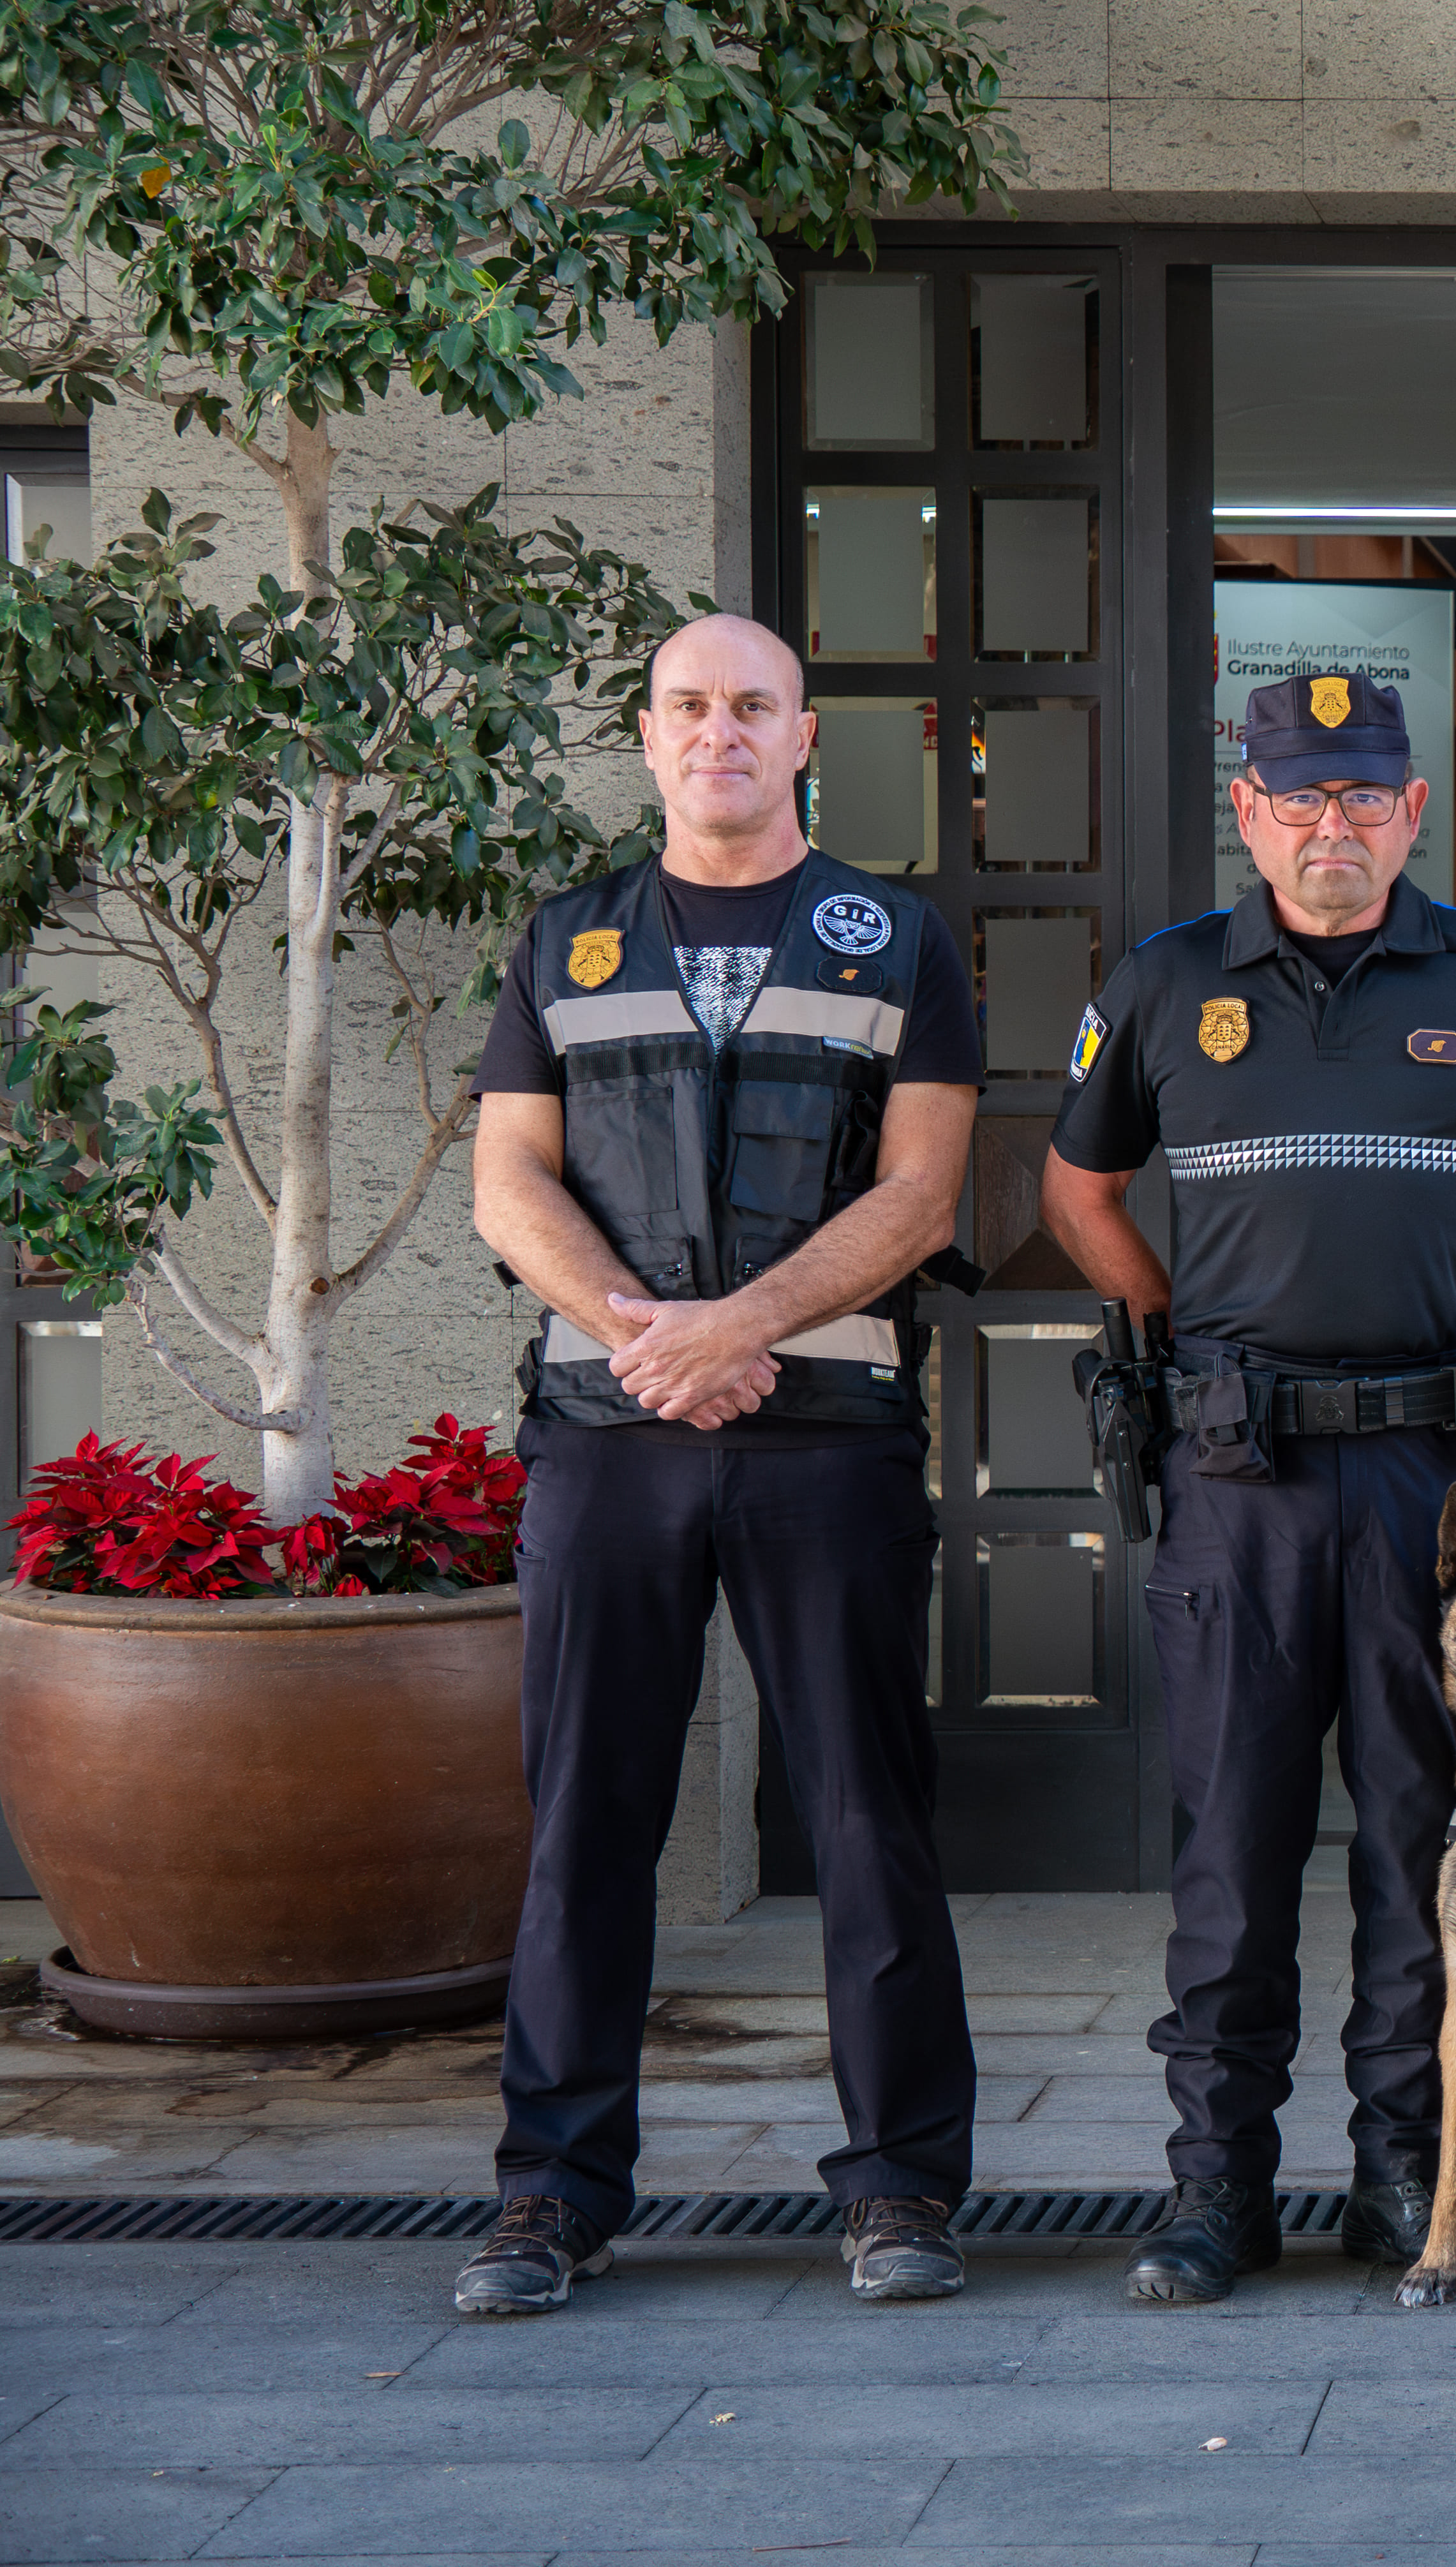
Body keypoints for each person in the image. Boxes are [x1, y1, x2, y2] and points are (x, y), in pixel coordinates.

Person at [1043, 671, 1456, 2304]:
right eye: (1298, 798)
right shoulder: (1167, 986)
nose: (1332, 828)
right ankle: (1215, 2192)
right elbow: (1078, 1187)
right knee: (1231, 1848)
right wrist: (1179, 1338)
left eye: (1365, 797)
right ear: (1249, 811)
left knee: (1423, 1849)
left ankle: (1396, 2183)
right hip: (1239, 1481)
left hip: (1439, 1497)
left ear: (1413, 811)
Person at [460, 613, 984, 2315]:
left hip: (825, 1441)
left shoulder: (895, 937)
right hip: (609, 1442)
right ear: (648, 732)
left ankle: (902, 2189)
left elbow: (918, 1194)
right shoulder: (569, 940)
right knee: (585, 1822)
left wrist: (734, 1321)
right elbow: (508, 1185)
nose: (720, 733)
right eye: (690, 707)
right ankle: (553, 2192)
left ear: (804, 734)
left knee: (863, 1819)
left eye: (753, 707)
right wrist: (652, 1339)